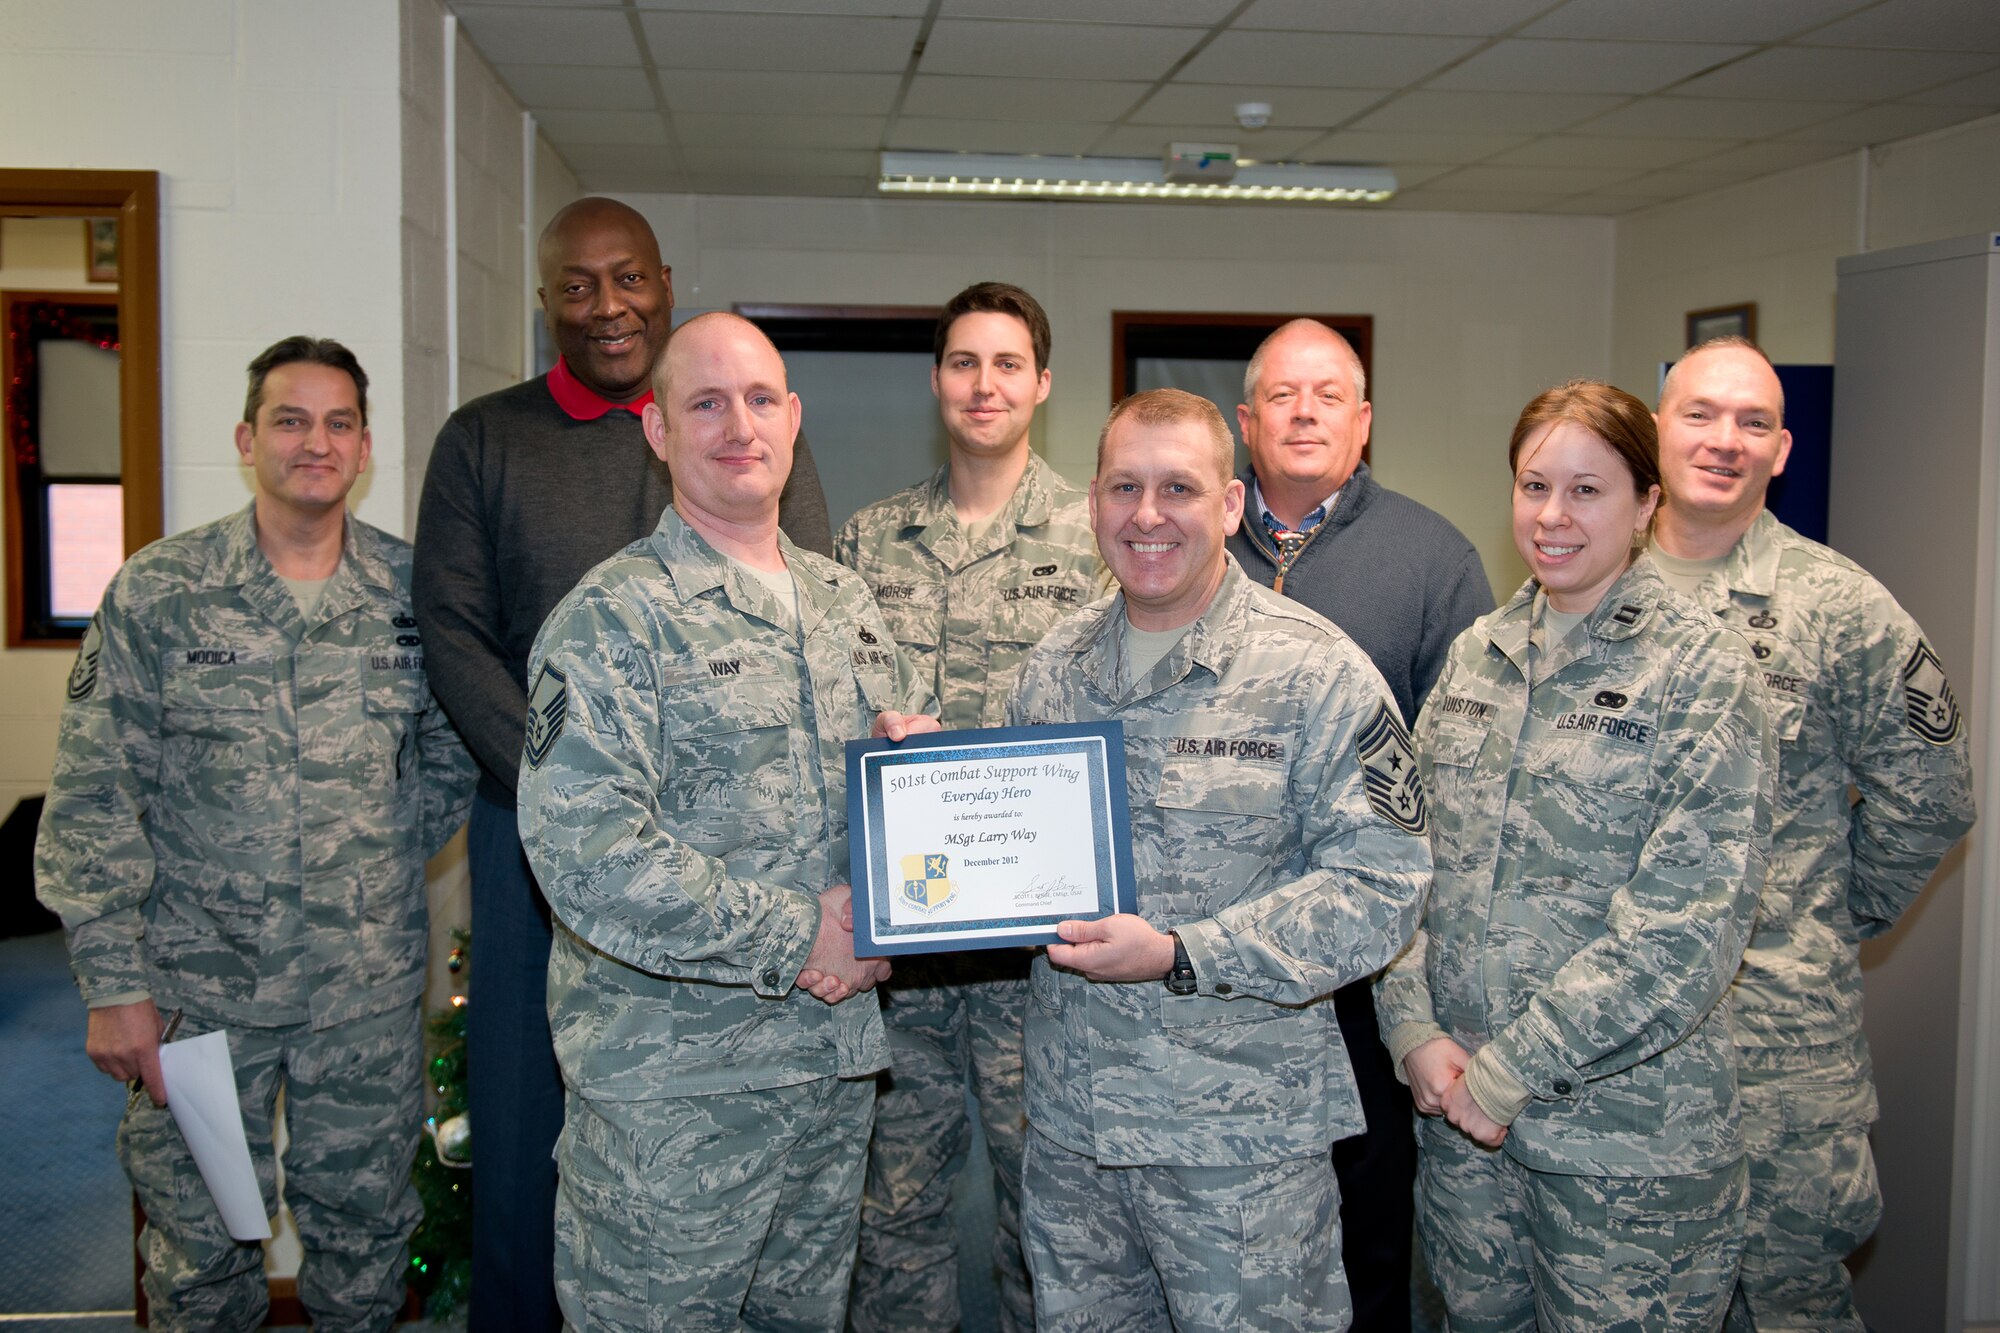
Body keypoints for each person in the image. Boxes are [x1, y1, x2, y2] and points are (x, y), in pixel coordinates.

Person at [412, 196, 833, 1329]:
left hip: (751, 835)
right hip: (539, 823)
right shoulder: (485, 440)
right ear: (547, 299)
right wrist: (563, 790)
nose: (608, 306)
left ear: (662, 277)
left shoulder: (740, 439)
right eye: (579, 285)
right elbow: (450, 630)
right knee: (526, 1118)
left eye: (629, 278)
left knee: (762, 1142)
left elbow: (820, 613)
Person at [36, 337, 476, 1330]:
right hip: (199, 1001)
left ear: (363, 448)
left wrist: (368, 856)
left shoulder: (415, 597)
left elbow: (452, 754)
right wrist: (115, 986)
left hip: (360, 1000)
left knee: (365, 1248)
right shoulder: (160, 592)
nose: (313, 442)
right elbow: (93, 796)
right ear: (247, 439)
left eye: (337, 423)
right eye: (289, 419)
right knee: (200, 1255)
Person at [517, 313, 936, 1330]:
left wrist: (915, 784)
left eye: (757, 399)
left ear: (792, 421)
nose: (735, 424)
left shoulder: (847, 603)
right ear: (657, 430)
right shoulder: (611, 618)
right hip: (676, 1098)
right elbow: (588, 854)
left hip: (830, 1073)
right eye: (704, 402)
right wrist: (804, 931)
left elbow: (886, 812)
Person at [1006, 388, 1430, 1331]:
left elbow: (1385, 885)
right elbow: (1003, 848)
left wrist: (1186, 950)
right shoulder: (1052, 668)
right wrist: (914, 775)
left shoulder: (1318, 673)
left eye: (1179, 488)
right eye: (1125, 486)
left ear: (1231, 506)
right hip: (1076, 1144)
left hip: (1242, 1156)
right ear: (1092, 502)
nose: (1147, 515)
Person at [1379, 380, 1775, 1332]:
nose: (1553, 516)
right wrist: (1411, 1030)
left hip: (1629, 1154)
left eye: (1588, 490)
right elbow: (1399, 861)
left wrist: (1508, 1072)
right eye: (1533, 485)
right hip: (1463, 1133)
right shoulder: (1477, 656)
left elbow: (1684, 930)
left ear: (1647, 504)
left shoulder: (1702, 671)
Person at [1648, 339, 1975, 1331]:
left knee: (1781, 1302)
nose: (1723, 441)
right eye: (1699, 414)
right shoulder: (1581, 585)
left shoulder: (1837, 607)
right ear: (1652, 426)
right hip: (1606, 1047)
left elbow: (1931, 792)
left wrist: (1821, 918)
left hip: (1773, 1053)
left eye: (1751, 423)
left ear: (1781, 450)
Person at [836, 281, 1103, 1333]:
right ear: (935, 380)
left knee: (1048, 1215)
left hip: (1038, 949)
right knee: (894, 1216)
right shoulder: (869, 539)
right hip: (905, 951)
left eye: (1005, 364)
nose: (981, 384)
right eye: (961, 362)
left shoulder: (1095, 535)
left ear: (1040, 383)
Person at [1229, 318, 1492, 1329]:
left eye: (1327, 394)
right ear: (1245, 421)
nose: (1303, 412)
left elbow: (1462, 781)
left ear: (1364, 419)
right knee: (1230, 1239)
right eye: (1282, 396)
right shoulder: (1181, 540)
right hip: (1216, 964)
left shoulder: (1432, 559)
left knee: (1365, 1233)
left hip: (1361, 976)